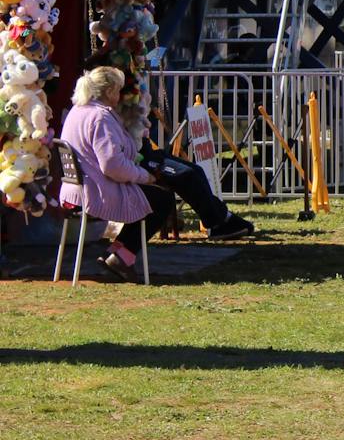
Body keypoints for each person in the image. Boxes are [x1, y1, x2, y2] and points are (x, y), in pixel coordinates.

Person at [59, 67, 250, 280]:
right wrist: (143, 176)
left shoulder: (78, 110)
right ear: (110, 90)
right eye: (118, 89)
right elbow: (112, 165)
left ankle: (119, 251)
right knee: (161, 199)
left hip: (79, 189)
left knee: (163, 190)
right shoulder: (99, 117)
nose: (121, 95)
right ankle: (122, 255)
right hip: (96, 191)